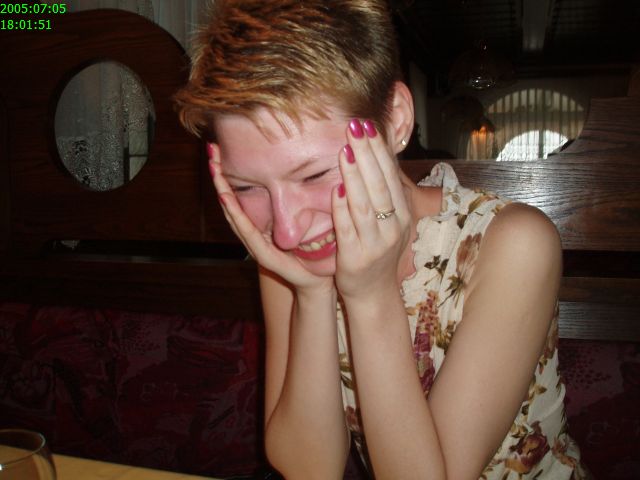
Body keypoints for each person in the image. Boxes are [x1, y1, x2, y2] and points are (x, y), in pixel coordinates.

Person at [173, 1, 587, 478]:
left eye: (314, 174)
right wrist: (311, 294)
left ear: (396, 121)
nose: (286, 230)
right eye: (247, 187)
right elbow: (311, 470)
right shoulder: (288, 252)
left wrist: (370, 296)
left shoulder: (514, 244)